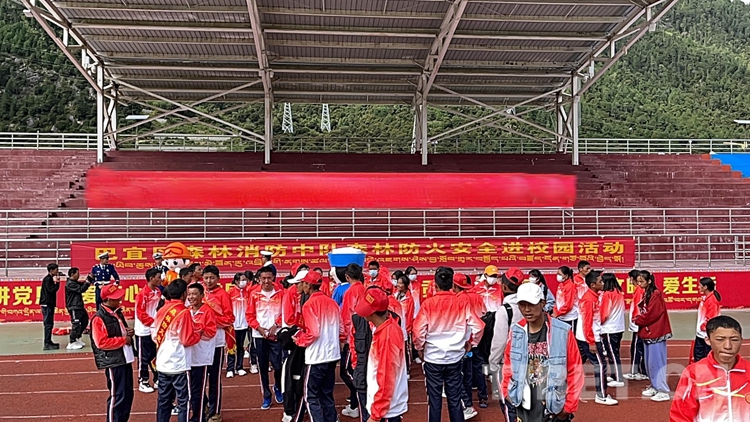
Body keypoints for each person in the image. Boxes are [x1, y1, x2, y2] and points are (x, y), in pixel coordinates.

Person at [501, 283, 583, 422]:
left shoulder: (562, 331)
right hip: (523, 404)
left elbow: (575, 370)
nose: (527, 310)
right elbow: (508, 364)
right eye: (522, 305)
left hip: (552, 407)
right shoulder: (516, 331)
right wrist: (506, 392)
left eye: (531, 304)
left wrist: (568, 408)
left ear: (542, 304)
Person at [414, 267, 484, 422]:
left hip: (433, 358)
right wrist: (471, 343)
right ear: (452, 284)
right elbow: (479, 326)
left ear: (435, 285)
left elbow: (418, 331)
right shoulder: (461, 303)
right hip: (455, 357)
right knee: (455, 399)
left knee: (434, 401)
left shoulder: (428, 304)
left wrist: (419, 348)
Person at [670, 315, 750, 421]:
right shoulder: (693, 373)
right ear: (708, 340)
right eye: (720, 339)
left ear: (741, 340)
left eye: (734, 340)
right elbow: (681, 415)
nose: (728, 346)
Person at [293, 270, 345, 422]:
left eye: (303, 283)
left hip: (316, 356)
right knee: (326, 394)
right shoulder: (332, 302)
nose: (301, 286)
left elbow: (313, 333)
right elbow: (342, 330)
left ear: (308, 285)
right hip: (332, 354)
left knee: (310, 396)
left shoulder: (309, 305)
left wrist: (299, 340)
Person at [354, 287, 408, 422]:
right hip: (386, 408)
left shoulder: (387, 337)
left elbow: (386, 378)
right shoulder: (388, 327)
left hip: (386, 411)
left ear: (372, 312)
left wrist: (375, 415)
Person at [153, 281, 202, 422]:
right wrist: (198, 334)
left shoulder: (162, 309)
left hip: (163, 361)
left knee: (163, 400)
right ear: (184, 294)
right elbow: (186, 339)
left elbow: (155, 336)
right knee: (183, 401)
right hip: (179, 362)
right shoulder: (183, 312)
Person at [90, 284, 135, 422]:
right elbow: (101, 342)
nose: (120, 300)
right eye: (117, 298)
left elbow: (119, 332)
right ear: (108, 299)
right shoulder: (99, 318)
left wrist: (128, 332)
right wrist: (124, 340)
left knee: (127, 394)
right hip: (114, 361)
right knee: (118, 396)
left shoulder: (117, 312)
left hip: (124, 358)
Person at [576, 271, 618, 405]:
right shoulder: (589, 300)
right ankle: (601, 395)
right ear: (593, 285)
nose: (603, 283)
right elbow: (587, 322)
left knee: (577, 362)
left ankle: (564, 387)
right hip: (589, 338)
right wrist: (591, 341)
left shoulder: (592, 296)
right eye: (600, 281)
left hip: (584, 337)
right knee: (600, 365)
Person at [247, 266, 285, 409]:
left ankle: (278, 387)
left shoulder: (281, 293)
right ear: (259, 279)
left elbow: (285, 312)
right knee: (262, 367)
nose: (266, 281)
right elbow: (249, 315)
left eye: (269, 278)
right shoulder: (254, 294)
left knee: (278, 365)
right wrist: (259, 328)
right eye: (263, 278)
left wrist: (276, 325)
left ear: (273, 277)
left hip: (276, 334)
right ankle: (266, 396)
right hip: (259, 335)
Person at [488, 268, 525, 408]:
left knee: (508, 401)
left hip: (509, 362)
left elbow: (500, 341)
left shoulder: (505, 310)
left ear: (503, 287)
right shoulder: (530, 306)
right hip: (529, 359)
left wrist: (493, 362)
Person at [202, 265, 235, 422]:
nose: (208, 281)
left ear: (218, 279)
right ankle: (204, 405)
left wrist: (209, 321)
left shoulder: (223, 295)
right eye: (206, 278)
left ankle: (214, 412)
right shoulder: (199, 292)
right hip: (199, 343)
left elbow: (229, 318)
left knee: (214, 378)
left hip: (216, 342)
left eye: (212, 278)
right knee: (199, 378)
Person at [633, 270, 672, 402]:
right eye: (638, 281)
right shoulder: (647, 293)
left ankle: (663, 390)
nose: (639, 284)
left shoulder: (656, 294)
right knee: (649, 362)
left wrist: (638, 319)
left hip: (656, 332)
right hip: (648, 332)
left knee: (657, 362)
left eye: (642, 281)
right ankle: (654, 385)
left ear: (649, 281)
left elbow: (652, 314)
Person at [453, 272, 488, 415]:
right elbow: (484, 313)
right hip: (476, 339)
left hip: (466, 341)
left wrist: (471, 342)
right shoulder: (476, 296)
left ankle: (468, 403)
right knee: (477, 370)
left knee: (464, 375)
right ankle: (483, 397)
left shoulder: (458, 300)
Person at [186, 283, 218, 422]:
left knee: (198, 388)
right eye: (189, 294)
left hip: (201, 357)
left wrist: (195, 329)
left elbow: (211, 332)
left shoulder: (207, 311)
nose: (191, 297)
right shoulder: (186, 311)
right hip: (188, 356)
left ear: (201, 296)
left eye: (194, 294)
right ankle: (202, 409)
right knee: (192, 388)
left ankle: (198, 417)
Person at [134, 267, 162, 392]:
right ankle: (143, 381)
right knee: (143, 358)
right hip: (143, 331)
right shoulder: (142, 294)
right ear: (151, 278)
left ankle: (157, 378)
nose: (161, 279)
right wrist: (153, 323)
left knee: (154, 356)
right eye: (158, 277)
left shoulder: (158, 292)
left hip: (154, 330)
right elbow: (141, 313)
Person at [600, 272, 626, 388]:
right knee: (614, 352)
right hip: (618, 327)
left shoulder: (608, 294)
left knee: (613, 354)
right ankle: (615, 374)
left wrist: (598, 322)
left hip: (610, 328)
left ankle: (619, 378)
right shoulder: (618, 292)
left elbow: (604, 314)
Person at [623, 269, 648, 381]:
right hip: (640, 323)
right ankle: (643, 371)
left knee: (636, 348)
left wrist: (636, 319)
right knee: (641, 347)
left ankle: (635, 371)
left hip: (638, 324)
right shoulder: (642, 289)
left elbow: (638, 307)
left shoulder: (639, 290)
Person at [227, 272, 251, 378]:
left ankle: (239, 367)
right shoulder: (230, 293)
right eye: (242, 280)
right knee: (231, 346)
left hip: (244, 324)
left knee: (241, 346)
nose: (244, 282)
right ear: (236, 281)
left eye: (245, 280)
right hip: (233, 324)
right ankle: (230, 368)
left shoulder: (248, 293)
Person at [693, 277, 721, 363]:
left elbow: (712, 317)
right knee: (698, 355)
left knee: (706, 356)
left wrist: (703, 326)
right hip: (701, 333)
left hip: (706, 334)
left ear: (705, 287)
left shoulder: (712, 300)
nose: (698, 287)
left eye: (699, 285)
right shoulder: (706, 298)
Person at [65, 267, 93, 350]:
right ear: (72, 274)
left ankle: (77, 337)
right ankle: (72, 342)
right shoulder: (70, 284)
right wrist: (87, 282)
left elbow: (83, 284)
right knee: (76, 324)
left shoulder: (75, 282)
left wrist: (89, 278)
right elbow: (81, 289)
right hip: (73, 306)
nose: (79, 275)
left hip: (79, 305)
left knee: (85, 321)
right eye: (77, 274)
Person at [394, 275, 415, 369]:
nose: (398, 285)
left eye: (400, 283)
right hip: (395, 325)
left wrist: (408, 328)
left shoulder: (409, 299)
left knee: (405, 348)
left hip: (404, 326)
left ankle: (406, 369)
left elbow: (410, 314)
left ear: (406, 285)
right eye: (398, 282)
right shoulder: (395, 294)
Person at [40, 263, 61, 350]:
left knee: (49, 324)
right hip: (47, 304)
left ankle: (49, 341)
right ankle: (47, 343)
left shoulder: (48, 279)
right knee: (48, 324)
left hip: (48, 304)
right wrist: (57, 283)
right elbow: (52, 290)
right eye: (56, 270)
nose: (57, 271)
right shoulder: (48, 279)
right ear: (51, 270)